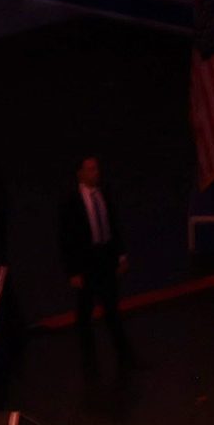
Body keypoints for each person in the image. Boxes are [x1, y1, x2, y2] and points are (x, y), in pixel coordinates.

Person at [58, 155, 132, 386]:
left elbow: (113, 225)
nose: (95, 173)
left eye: (96, 169)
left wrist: (121, 255)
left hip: (105, 259)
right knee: (85, 312)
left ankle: (124, 357)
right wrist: (73, 272)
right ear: (80, 173)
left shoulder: (104, 195)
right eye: (90, 170)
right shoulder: (71, 201)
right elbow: (66, 238)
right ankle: (89, 362)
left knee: (112, 308)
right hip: (86, 263)